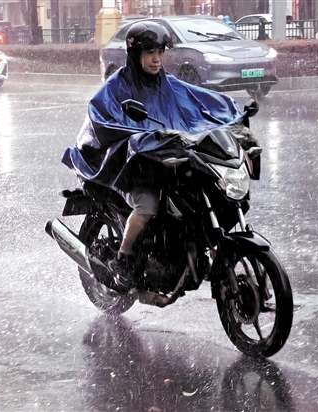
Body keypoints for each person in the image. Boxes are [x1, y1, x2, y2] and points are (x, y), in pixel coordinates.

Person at [75, 21, 244, 290]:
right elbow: (102, 118)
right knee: (147, 206)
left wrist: (233, 113)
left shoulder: (166, 83)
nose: (157, 59)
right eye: (150, 53)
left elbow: (199, 100)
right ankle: (124, 257)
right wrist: (139, 139)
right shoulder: (117, 86)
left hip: (164, 161)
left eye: (160, 52)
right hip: (130, 168)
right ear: (135, 54)